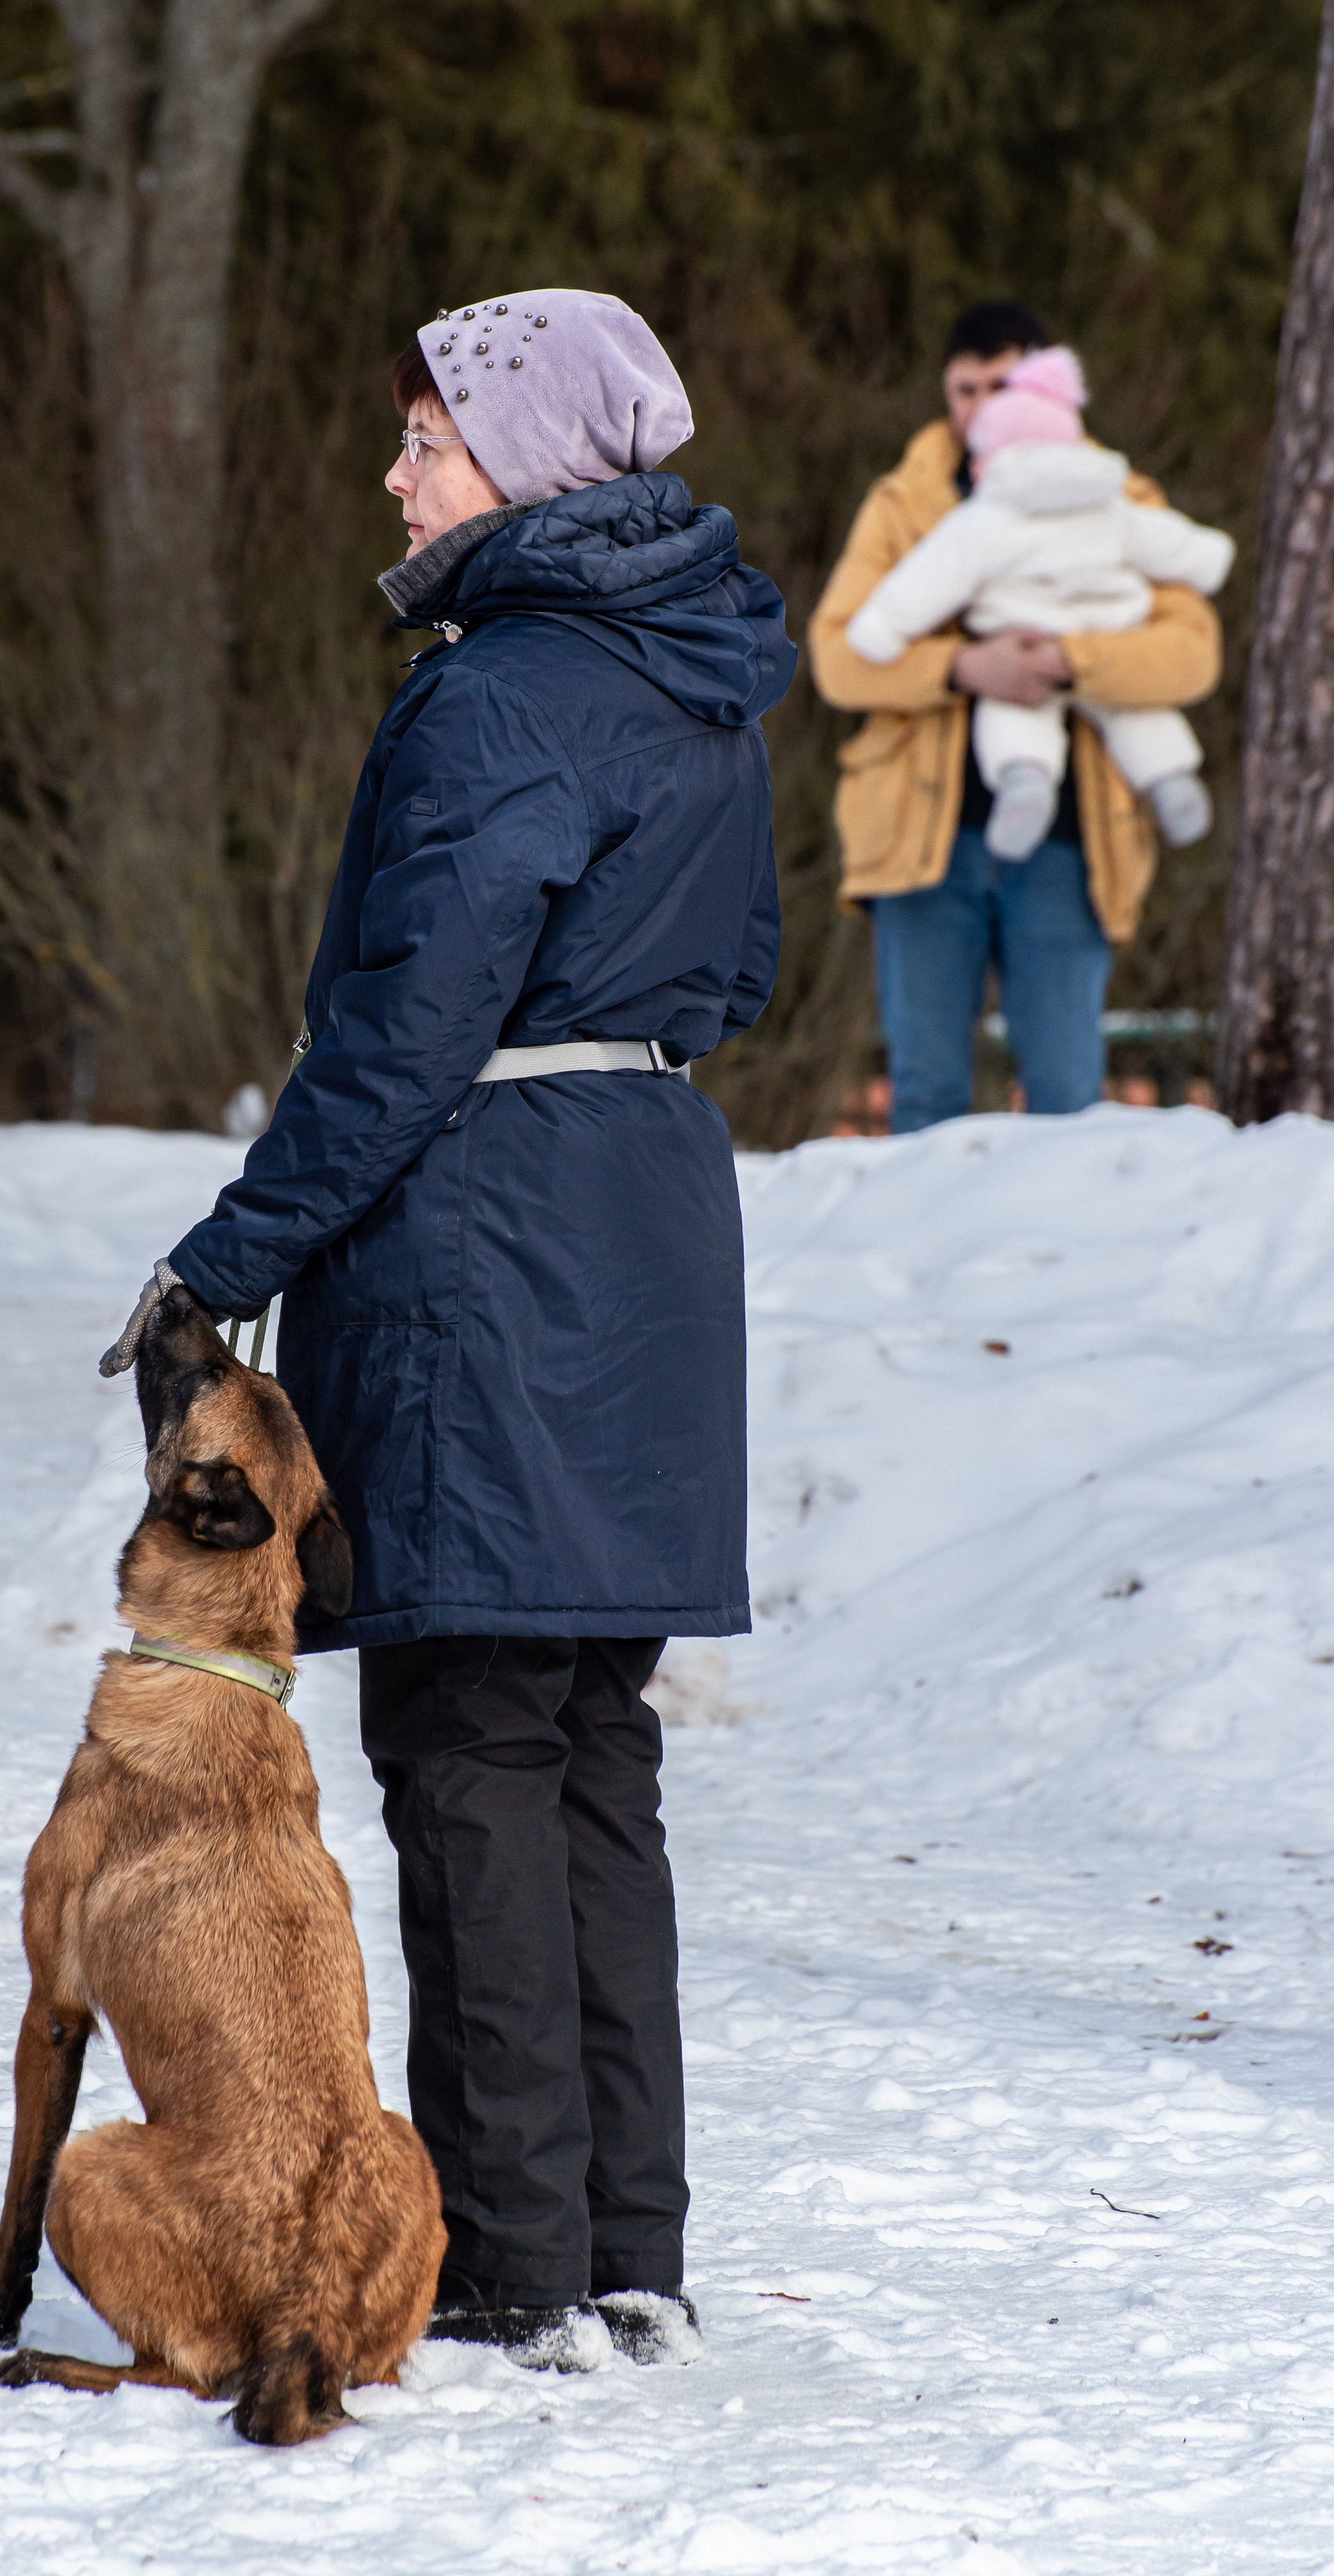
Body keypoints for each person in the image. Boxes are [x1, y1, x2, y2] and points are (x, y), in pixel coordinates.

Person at [107, 288, 792, 2372]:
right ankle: (627, 2246)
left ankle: (510, 2261)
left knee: (469, 1737)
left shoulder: (492, 696)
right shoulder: (706, 678)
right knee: (589, 1741)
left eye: (427, 437)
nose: (394, 475)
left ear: (532, 461)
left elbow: (406, 1022)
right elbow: (743, 963)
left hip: (488, 1242)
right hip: (653, 1218)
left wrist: (228, 1251)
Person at [807, 301, 1224, 1133]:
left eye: (1000, 384)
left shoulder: (1118, 492)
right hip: (921, 841)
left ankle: (1064, 1262)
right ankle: (923, 1265)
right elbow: (837, 655)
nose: (979, 405)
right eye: (964, 388)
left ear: (1041, 382)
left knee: (1067, 1098)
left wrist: (1071, 658)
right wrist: (965, 667)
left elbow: (1193, 652)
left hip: (1073, 844)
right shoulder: (904, 501)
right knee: (924, 1097)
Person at [846, 345, 1233, 864]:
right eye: (967, 387)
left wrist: (881, 628)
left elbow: (929, 578)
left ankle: (1026, 784)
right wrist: (1214, 557)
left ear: (989, 455)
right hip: (1110, 628)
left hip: (1023, 641)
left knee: (1016, 718)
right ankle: (1171, 779)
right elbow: (1178, 547)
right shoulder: (1115, 506)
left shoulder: (986, 517)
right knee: (1139, 713)